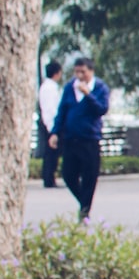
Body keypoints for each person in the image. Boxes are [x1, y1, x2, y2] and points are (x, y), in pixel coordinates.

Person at [50, 56, 110, 220]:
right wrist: (55, 132)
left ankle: (84, 212)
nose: (80, 75)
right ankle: (83, 202)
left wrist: (88, 95)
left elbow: (102, 109)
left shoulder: (100, 88)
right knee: (68, 175)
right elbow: (62, 111)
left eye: (83, 72)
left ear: (91, 71)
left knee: (89, 177)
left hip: (89, 139)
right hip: (71, 138)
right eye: (77, 72)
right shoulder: (70, 87)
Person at [36, 60, 63, 188]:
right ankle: (48, 178)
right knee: (51, 153)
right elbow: (50, 109)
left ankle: (50, 177)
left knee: (52, 154)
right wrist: (52, 128)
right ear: (57, 73)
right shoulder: (49, 88)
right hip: (50, 123)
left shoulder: (48, 87)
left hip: (50, 122)